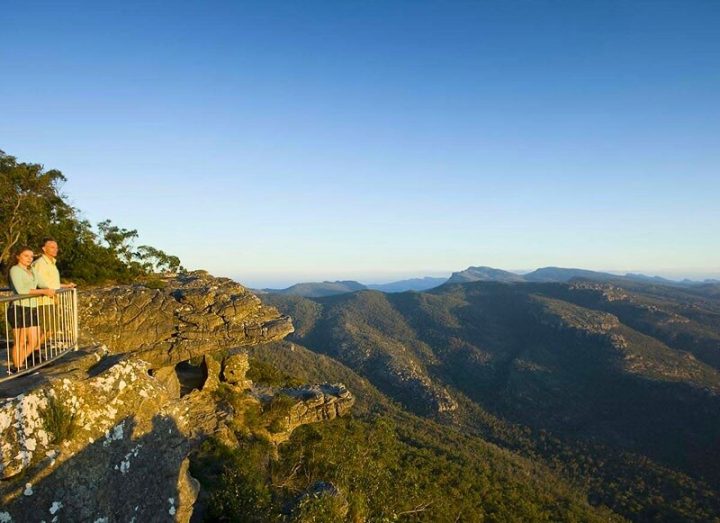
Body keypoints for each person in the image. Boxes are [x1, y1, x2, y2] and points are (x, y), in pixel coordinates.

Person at [6, 246, 55, 370]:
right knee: (20, 341)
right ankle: (18, 366)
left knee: (34, 341)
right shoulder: (15, 270)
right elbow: (21, 290)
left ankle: (18, 365)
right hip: (19, 308)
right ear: (18, 256)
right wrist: (44, 291)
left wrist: (52, 289)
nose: (29, 258)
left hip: (32, 307)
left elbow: (42, 284)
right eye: (26, 256)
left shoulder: (32, 270)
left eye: (31, 256)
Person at [32, 237, 75, 347]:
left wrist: (66, 285)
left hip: (50, 301)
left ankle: (34, 353)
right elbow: (39, 283)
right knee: (49, 329)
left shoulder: (52, 263)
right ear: (44, 249)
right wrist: (51, 294)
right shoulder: (40, 263)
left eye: (56, 247)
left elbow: (52, 283)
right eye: (52, 247)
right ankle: (30, 352)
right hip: (43, 301)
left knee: (50, 329)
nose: (55, 249)